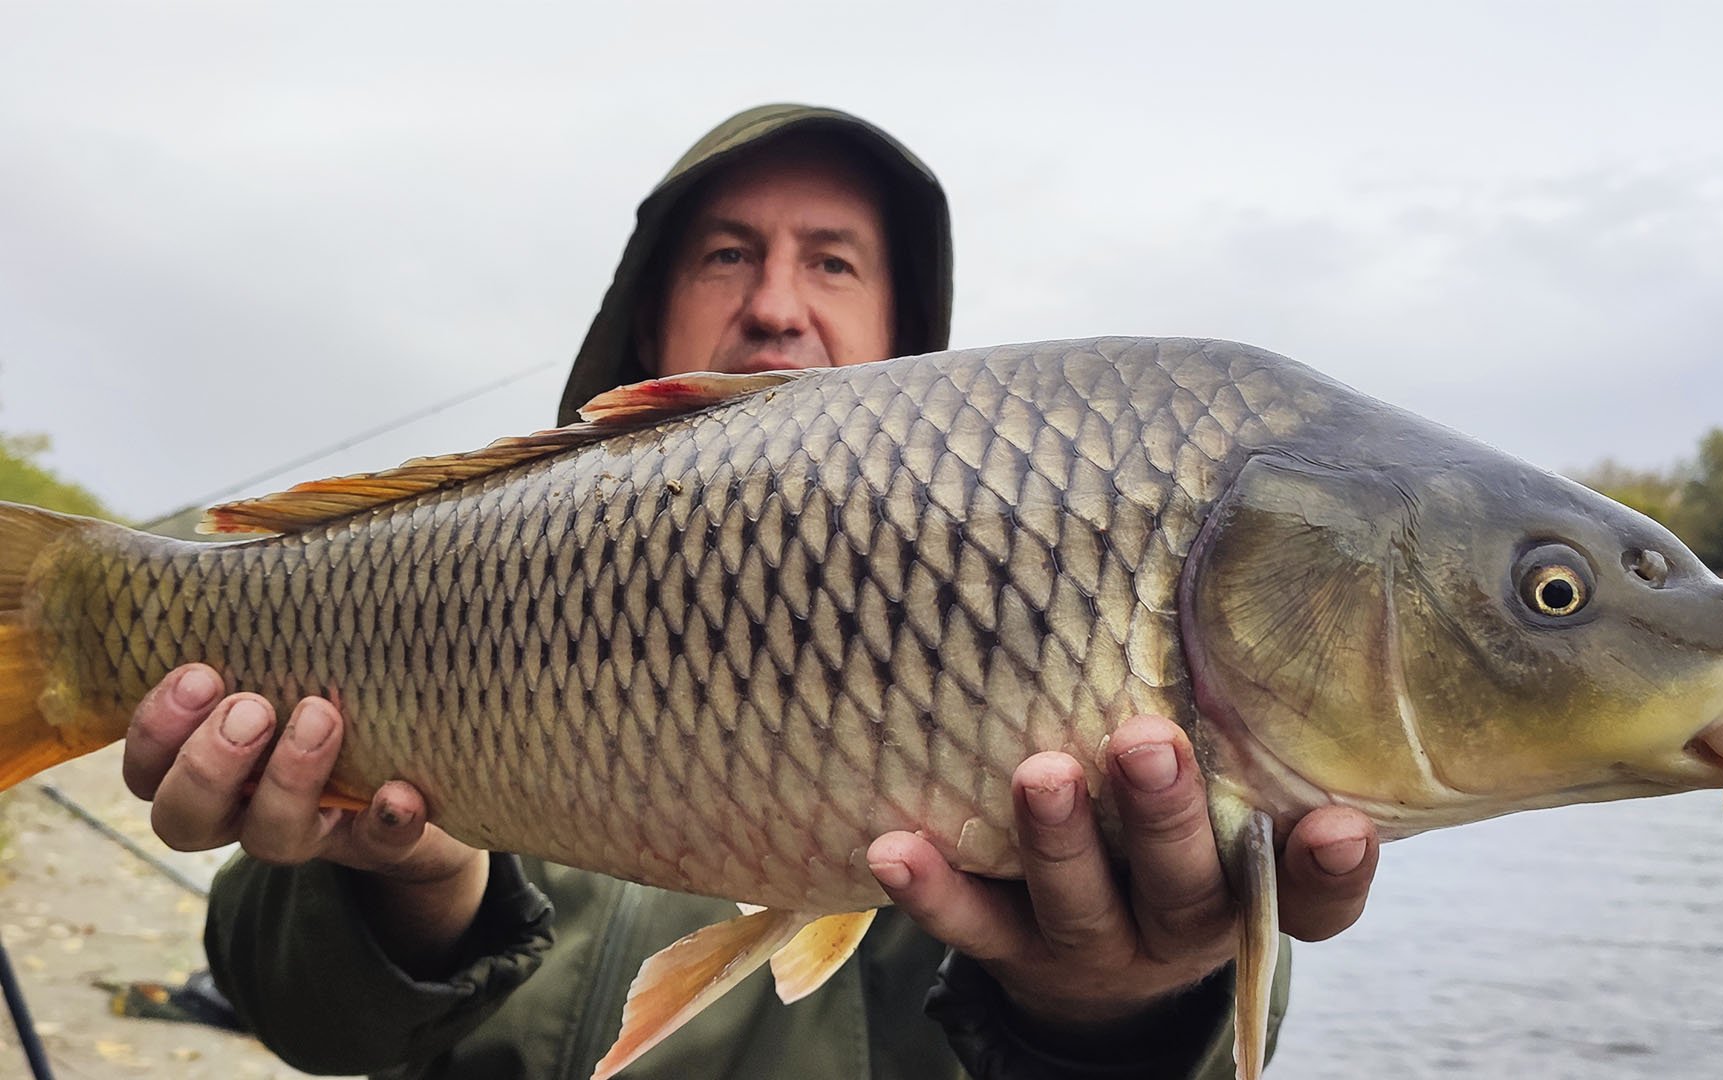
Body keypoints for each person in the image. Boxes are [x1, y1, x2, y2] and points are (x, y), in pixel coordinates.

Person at [120, 103, 1382, 1078]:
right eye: (730, 254)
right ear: (648, 311)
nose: (777, 304)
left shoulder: (1047, 609)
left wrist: (1114, 1001)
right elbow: (297, 1017)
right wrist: (416, 885)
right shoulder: (458, 570)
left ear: (913, 346)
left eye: (833, 263)